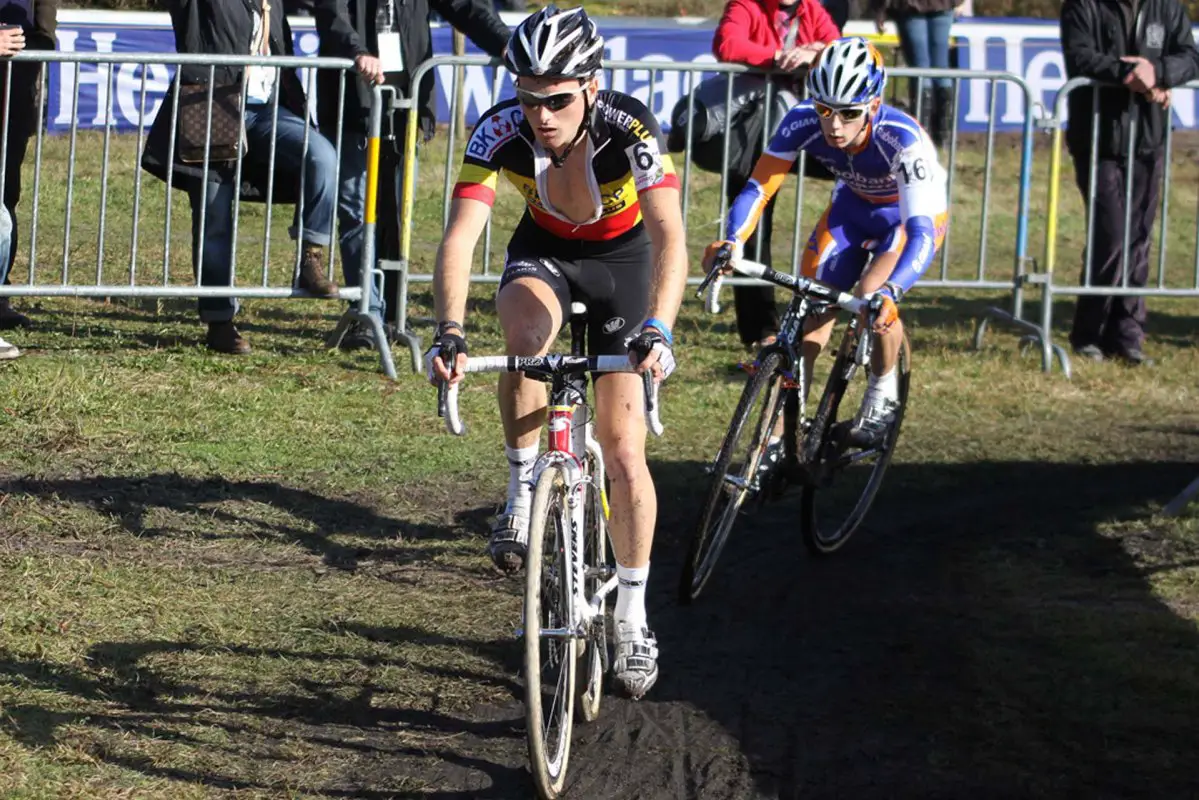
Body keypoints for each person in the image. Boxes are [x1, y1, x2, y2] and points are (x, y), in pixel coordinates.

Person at [426, 6, 687, 699]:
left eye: (557, 99)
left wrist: (657, 328)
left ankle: (630, 613)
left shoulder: (629, 129)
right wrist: (448, 331)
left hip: (621, 264)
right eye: (527, 96)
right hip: (543, 253)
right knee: (521, 340)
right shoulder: (498, 131)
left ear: (591, 88)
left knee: (623, 447)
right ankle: (520, 489)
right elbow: (460, 238)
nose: (540, 114)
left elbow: (669, 238)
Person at [706, 37, 947, 445]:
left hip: (905, 220)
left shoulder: (903, 139)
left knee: (873, 298)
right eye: (825, 110)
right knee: (809, 311)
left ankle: (882, 390)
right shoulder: (802, 120)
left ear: (873, 105)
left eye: (849, 113)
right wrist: (732, 240)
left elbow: (922, 231)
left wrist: (894, 289)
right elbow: (759, 187)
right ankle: (777, 437)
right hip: (851, 211)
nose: (834, 126)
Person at [142, 0, 344, 355]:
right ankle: (219, 320)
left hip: (268, 109)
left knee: (321, 156)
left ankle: (310, 257)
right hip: (212, 106)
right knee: (214, 216)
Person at [312, 0, 510, 351]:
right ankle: (366, 312)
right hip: (355, 101)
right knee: (358, 209)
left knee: (397, 215)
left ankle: (392, 314)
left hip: (408, 102)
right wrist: (356, 51)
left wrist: (504, 43)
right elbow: (331, 14)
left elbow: (464, 7)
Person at [1061, 0, 1199, 365]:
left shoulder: (1166, 7)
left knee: (1138, 239)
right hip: (1097, 139)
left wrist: (1160, 72)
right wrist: (1131, 75)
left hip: (1148, 139)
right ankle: (1088, 333)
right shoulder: (1083, 5)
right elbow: (1080, 57)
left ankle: (1127, 337)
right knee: (1111, 237)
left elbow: (1190, 55)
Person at [712, 0, 839, 360]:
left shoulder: (811, 9)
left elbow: (839, 48)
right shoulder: (746, 5)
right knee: (751, 223)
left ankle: (835, 311)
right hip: (754, 135)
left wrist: (815, 52)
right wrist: (780, 56)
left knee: (852, 201)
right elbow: (727, 44)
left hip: (814, 130)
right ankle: (761, 329)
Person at [0, 0, 56, 331]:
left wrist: (37, 48)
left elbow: (43, 20)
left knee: (7, 192)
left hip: (16, 78)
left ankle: (1, 291)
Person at [871, 0, 957, 147]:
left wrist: (880, 9)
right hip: (943, 5)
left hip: (912, 6)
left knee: (920, 70)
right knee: (942, 71)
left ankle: (922, 134)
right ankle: (944, 138)